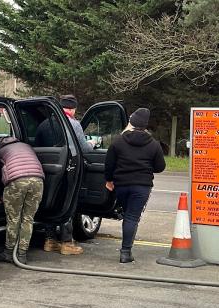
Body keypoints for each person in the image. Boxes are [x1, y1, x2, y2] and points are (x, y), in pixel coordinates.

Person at [104, 108, 166, 263]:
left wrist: (109, 180)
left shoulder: (118, 141)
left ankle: (126, 249)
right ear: (145, 125)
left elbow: (109, 163)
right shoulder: (154, 145)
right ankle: (125, 252)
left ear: (131, 122)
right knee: (132, 217)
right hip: (142, 186)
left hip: (121, 185)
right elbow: (160, 167)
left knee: (127, 215)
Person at [42, 94, 95, 255]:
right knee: (68, 205)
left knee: (50, 202)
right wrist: (92, 143)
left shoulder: (44, 124)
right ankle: (66, 243)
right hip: (68, 169)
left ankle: (50, 240)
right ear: (73, 109)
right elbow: (84, 149)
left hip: (48, 169)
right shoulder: (73, 123)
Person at [0, 136, 44, 264]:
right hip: (38, 181)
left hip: (16, 181)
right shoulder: (27, 146)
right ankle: (22, 254)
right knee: (28, 219)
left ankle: (9, 253)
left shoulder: (0, 152)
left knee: (13, 219)